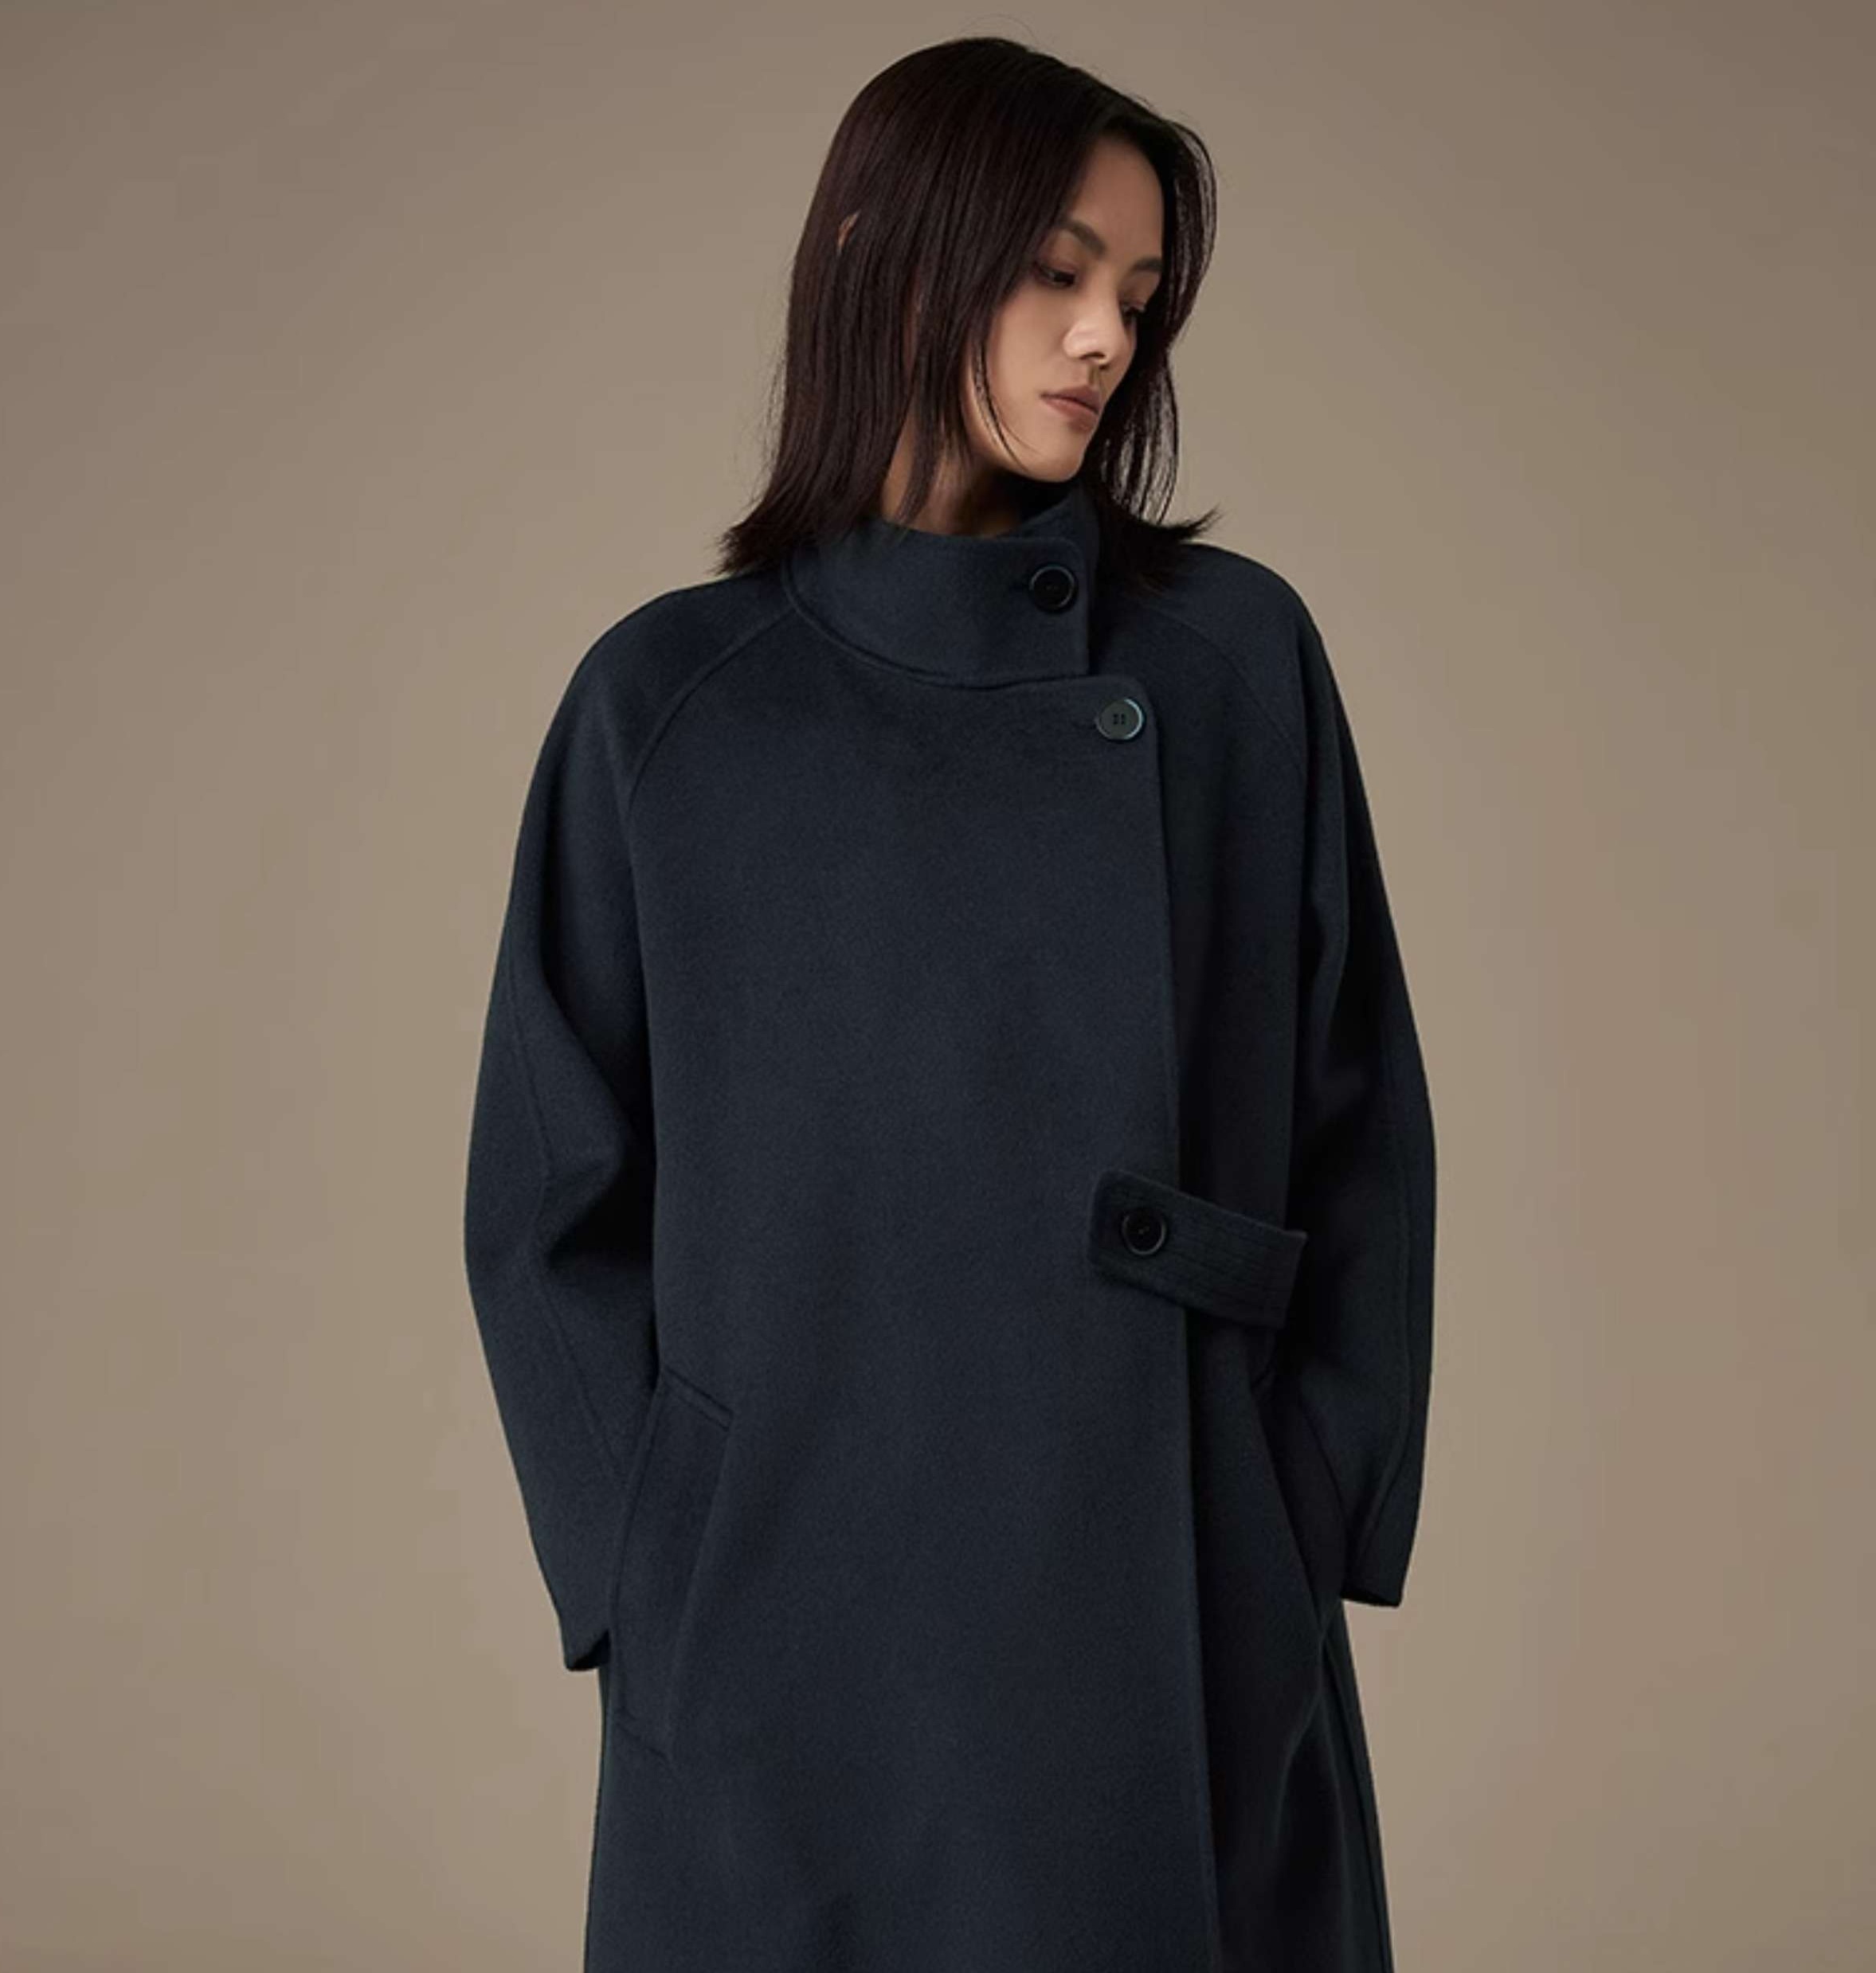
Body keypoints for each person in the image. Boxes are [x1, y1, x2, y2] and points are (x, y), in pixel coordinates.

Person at [462, 33, 1435, 1973]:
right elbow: (545, 1195)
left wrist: (1288, 1515)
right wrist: (652, 1559)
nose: (1104, 340)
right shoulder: (670, 709)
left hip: (1169, 1617)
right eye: (1055, 272)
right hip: (785, 1640)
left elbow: (1360, 1123)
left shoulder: (1232, 665)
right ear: (885, 259)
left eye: (1137, 295)